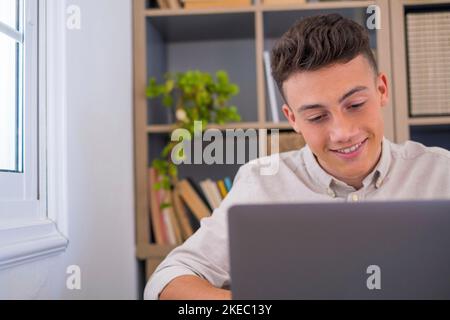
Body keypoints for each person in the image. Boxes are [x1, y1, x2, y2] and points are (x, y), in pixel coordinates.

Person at [144, 14, 450, 300]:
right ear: (293, 119)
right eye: (317, 117)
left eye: (355, 104)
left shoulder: (441, 173)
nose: (342, 132)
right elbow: (166, 280)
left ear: (381, 90)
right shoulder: (261, 183)